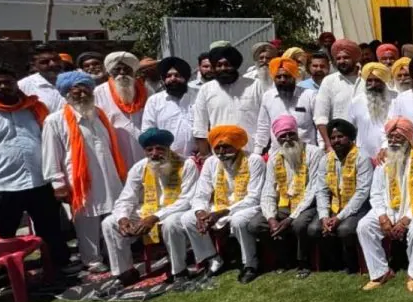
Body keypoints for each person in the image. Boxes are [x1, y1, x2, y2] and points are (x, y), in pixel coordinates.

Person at [0, 64, 69, 269]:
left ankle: (59, 269)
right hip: (1, 187)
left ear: (16, 83)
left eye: (7, 82)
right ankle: (6, 276)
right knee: (3, 236)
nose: (3, 87)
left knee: (52, 231)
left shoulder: (34, 108)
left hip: (40, 182)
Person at [42, 72, 129, 273]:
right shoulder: (55, 120)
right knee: (86, 220)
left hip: (108, 174)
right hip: (80, 181)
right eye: (76, 91)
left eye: (86, 90)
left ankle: (114, 253)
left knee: (113, 214)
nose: (82, 94)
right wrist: (58, 184)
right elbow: (50, 155)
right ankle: (92, 260)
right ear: (67, 94)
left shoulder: (99, 114)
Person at [101, 128, 202, 285]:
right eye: (149, 150)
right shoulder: (139, 168)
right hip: (146, 211)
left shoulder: (186, 164)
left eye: (159, 148)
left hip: (176, 210)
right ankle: (125, 272)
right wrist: (123, 218)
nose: (154, 154)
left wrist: (154, 217)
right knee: (109, 222)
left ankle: (179, 271)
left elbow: (187, 199)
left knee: (171, 223)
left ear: (168, 148)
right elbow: (126, 198)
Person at [357, 117, 413, 292]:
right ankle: (381, 272)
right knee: (364, 226)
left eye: (398, 137)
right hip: (388, 209)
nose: (393, 141)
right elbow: (375, 193)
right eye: (390, 137)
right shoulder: (384, 161)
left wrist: (405, 220)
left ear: (408, 139)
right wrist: (383, 217)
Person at [181, 125, 267, 283]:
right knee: (188, 218)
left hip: (248, 206)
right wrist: (201, 212)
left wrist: (221, 213)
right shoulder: (211, 162)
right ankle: (213, 259)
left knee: (238, 220)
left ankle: (250, 264)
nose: (221, 152)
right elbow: (201, 193)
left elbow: (254, 197)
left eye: (226, 147)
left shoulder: (254, 160)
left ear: (237, 145)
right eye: (217, 148)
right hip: (218, 207)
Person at [254, 115, 325, 279]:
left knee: (299, 224)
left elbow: (313, 189)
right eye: (282, 136)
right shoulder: (274, 158)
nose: (287, 139)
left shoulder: (314, 153)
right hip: (284, 204)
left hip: (309, 205)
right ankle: (284, 258)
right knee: (255, 224)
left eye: (291, 134)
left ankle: (303, 262)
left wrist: (291, 218)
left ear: (297, 133)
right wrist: (271, 218)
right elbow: (268, 190)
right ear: (277, 139)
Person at [311, 118, 373, 271]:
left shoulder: (362, 158)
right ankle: (334, 263)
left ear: (350, 138)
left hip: (358, 208)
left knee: (344, 229)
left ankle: (352, 265)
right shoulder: (326, 160)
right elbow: (321, 190)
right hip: (334, 206)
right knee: (314, 228)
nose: (336, 141)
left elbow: (362, 193)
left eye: (340, 136)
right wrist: (324, 216)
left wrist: (339, 217)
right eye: (333, 138)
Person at [191, 45, 265, 156]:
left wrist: (259, 152)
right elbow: (200, 127)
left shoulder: (255, 85)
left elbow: (264, 122)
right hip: (220, 155)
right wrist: (205, 156)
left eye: (227, 64)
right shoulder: (206, 90)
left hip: (252, 153)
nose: (223, 68)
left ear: (235, 65)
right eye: (219, 65)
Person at [253, 57, 318, 154]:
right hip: (278, 154)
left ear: (294, 77)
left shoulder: (309, 95)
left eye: (286, 76)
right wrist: (257, 152)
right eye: (278, 77)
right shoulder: (268, 97)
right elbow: (263, 126)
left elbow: (319, 124)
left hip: (307, 153)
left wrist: (322, 147)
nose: (282, 80)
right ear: (274, 79)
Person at [94, 51, 148, 166]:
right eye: (117, 69)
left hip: (145, 149)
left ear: (133, 71)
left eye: (127, 69)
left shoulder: (146, 90)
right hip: (116, 148)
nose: (122, 73)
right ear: (110, 72)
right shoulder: (99, 92)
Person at [142, 57, 196, 158]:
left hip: (198, 158)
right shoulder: (154, 101)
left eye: (177, 75)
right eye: (168, 76)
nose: (173, 79)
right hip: (167, 159)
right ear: (163, 79)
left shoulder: (198, 97)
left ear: (186, 77)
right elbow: (148, 132)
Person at [315, 39, 365, 147]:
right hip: (338, 145)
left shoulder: (366, 79)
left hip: (365, 143)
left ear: (355, 58)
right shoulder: (329, 81)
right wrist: (328, 145)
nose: (341, 61)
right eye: (338, 58)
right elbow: (320, 117)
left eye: (346, 57)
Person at [344, 62, 396, 162]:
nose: (373, 84)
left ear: (384, 81)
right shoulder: (356, 101)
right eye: (369, 81)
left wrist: (386, 146)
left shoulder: (396, 99)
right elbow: (349, 130)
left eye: (377, 80)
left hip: (390, 154)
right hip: (363, 157)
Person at [17, 44, 66, 112]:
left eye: (56, 60)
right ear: (34, 65)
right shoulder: (23, 85)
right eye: (45, 62)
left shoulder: (75, 80)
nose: (53, 64)